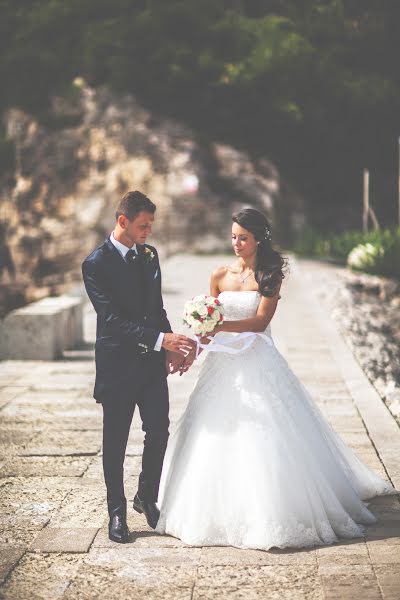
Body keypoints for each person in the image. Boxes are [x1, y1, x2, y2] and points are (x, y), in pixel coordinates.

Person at [156, 207, 396, 550]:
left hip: (258, 360)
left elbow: (259, 321)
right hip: (222, 364)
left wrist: (219, 324)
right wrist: (194, 347)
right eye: (234, 237)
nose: (237, 243)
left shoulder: (270, 275)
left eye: (244, 238)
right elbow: (208, 328)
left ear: (258, 239)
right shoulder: (219, 275)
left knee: (267, 430)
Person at [82, 191, 195, 543]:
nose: (149, 231)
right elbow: (111, 321)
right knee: (115, 440)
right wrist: (162, 340)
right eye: (143, 225)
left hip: (149, 364)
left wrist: (170, 347)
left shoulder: (150, 254)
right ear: (123, 221)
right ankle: (116, 511)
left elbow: (156, 307)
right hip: (117, 364)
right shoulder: (95, 264)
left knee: (159, 429)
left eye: (151, 225)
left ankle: (146, 496)